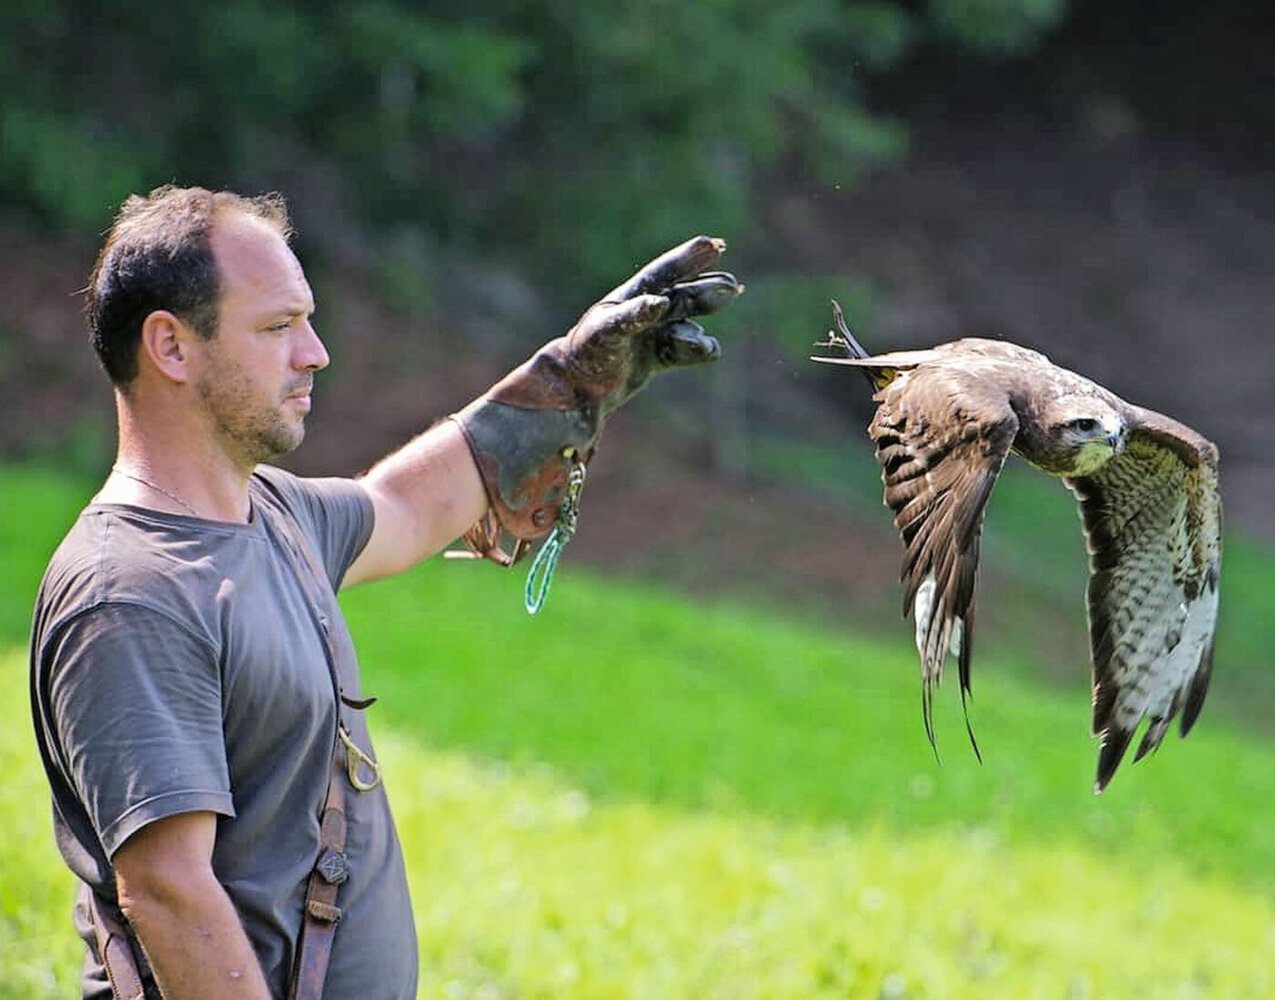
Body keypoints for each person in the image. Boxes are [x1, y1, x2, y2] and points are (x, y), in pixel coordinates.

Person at [28, 185, 742, 1000]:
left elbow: (403, 504)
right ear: (172, 347)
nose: (314, 352)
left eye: (306, 319)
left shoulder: (272, 515)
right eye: (276, 327)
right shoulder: (130, 594)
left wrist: (574, 379)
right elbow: (167, 891)